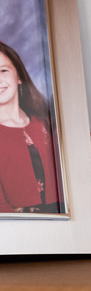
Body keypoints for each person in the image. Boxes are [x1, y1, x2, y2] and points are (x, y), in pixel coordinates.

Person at [0, 42, 61, 213]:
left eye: (3, 71)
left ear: (18, 76)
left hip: (62, 227)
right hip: (15, 231)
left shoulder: (47, 124)